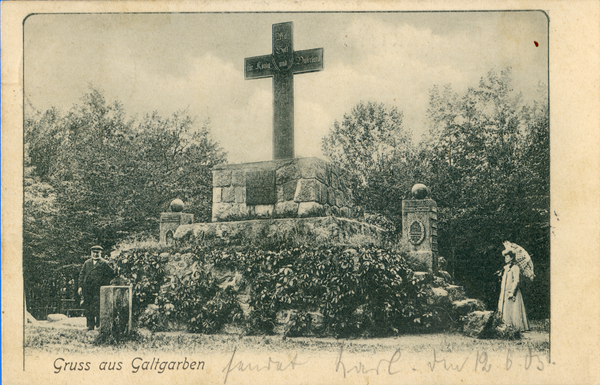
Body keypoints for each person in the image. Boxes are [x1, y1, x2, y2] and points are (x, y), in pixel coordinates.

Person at [78, 245, 115, 330]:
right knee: (88, 307)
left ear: (100, 253)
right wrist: (80, 287)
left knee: (98, 307)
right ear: (91, 253)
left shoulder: (104, 263)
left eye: (97, 253)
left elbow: (111, 274)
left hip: (99, 289)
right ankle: (90, 326)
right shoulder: (87, 263)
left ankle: (99, 325)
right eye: (94, 252)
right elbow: (81, 275)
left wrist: (106, 284)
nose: (95, 254)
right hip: (87, 289)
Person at [497, 249, 529, 331]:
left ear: (511, 258)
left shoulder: (515, 268)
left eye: (507, 257)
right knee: (505, 309)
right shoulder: (505, 268)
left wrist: (512, 292)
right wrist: (501, 275)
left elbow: (516, 280)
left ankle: (515, 326)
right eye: (505, 257)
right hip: (504, 291)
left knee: (513, 309)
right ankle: (505, 325)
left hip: (512, 291)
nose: (506, 259)